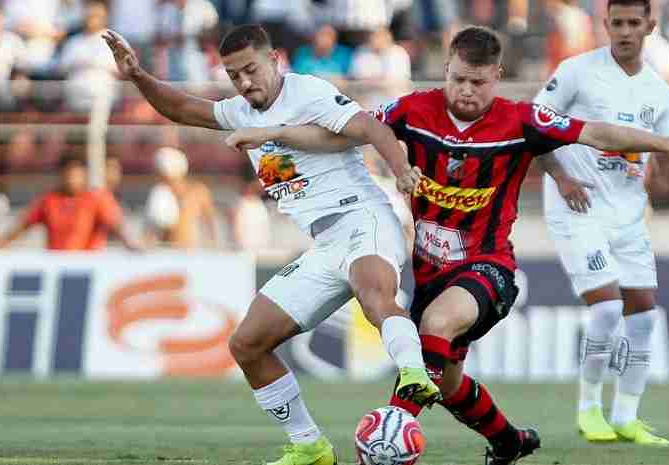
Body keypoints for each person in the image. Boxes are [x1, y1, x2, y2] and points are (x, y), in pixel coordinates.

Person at [224, 25, 669, 465]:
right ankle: (509, 441)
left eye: (478, 82)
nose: (466, 91)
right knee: (448, 381)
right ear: (446, 70)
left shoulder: (521, 119)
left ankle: (393, 428)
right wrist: (275, 133)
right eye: (458, 79)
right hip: (430, 272)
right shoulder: (412, 110)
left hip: (487, 267)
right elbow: (344, 135)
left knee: (435, 329)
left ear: (496, 77)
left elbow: (596, 133)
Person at [103, 24, 440, 465]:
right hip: (325, 244)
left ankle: (414, 373)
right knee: (247, 343)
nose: (244, 82)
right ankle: (310, 446)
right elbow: (182, 108)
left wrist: (401, 171)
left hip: (363, 218)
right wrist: (137, 76)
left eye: (251, 70)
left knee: (374, 294)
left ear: (274, 60)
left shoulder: (308, 93)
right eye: (234, 75)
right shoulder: (240, 112)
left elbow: (372, 128)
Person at [532, 0, 669, 446]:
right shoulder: (577, 72)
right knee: (607, 308)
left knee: (643, 318)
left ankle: (626, 416)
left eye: (634, 23)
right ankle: (588, 410)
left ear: (650, 26)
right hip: (578, 207)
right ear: (606, 24)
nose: (625, 31)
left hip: (628, 213)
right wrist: (561, 178)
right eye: (617, 23)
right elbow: (533, 128)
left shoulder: (657, 93)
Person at [0, 153, 141, 251]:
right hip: (58, 265)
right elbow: (21, 227)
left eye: (76, 175)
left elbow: (116, 226)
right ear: (62, 175)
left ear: (85, 175)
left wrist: (131, 245)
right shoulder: (49, 201)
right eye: (69, 174)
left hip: (87, 266)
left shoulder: (95, 199)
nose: (72, 179)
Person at [144, 147, 220, 249]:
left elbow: (210, 221)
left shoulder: (198, 192)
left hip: (189, 250)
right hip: (166, 250)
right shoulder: (160, 193)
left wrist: (214, 245)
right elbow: (152, 229)